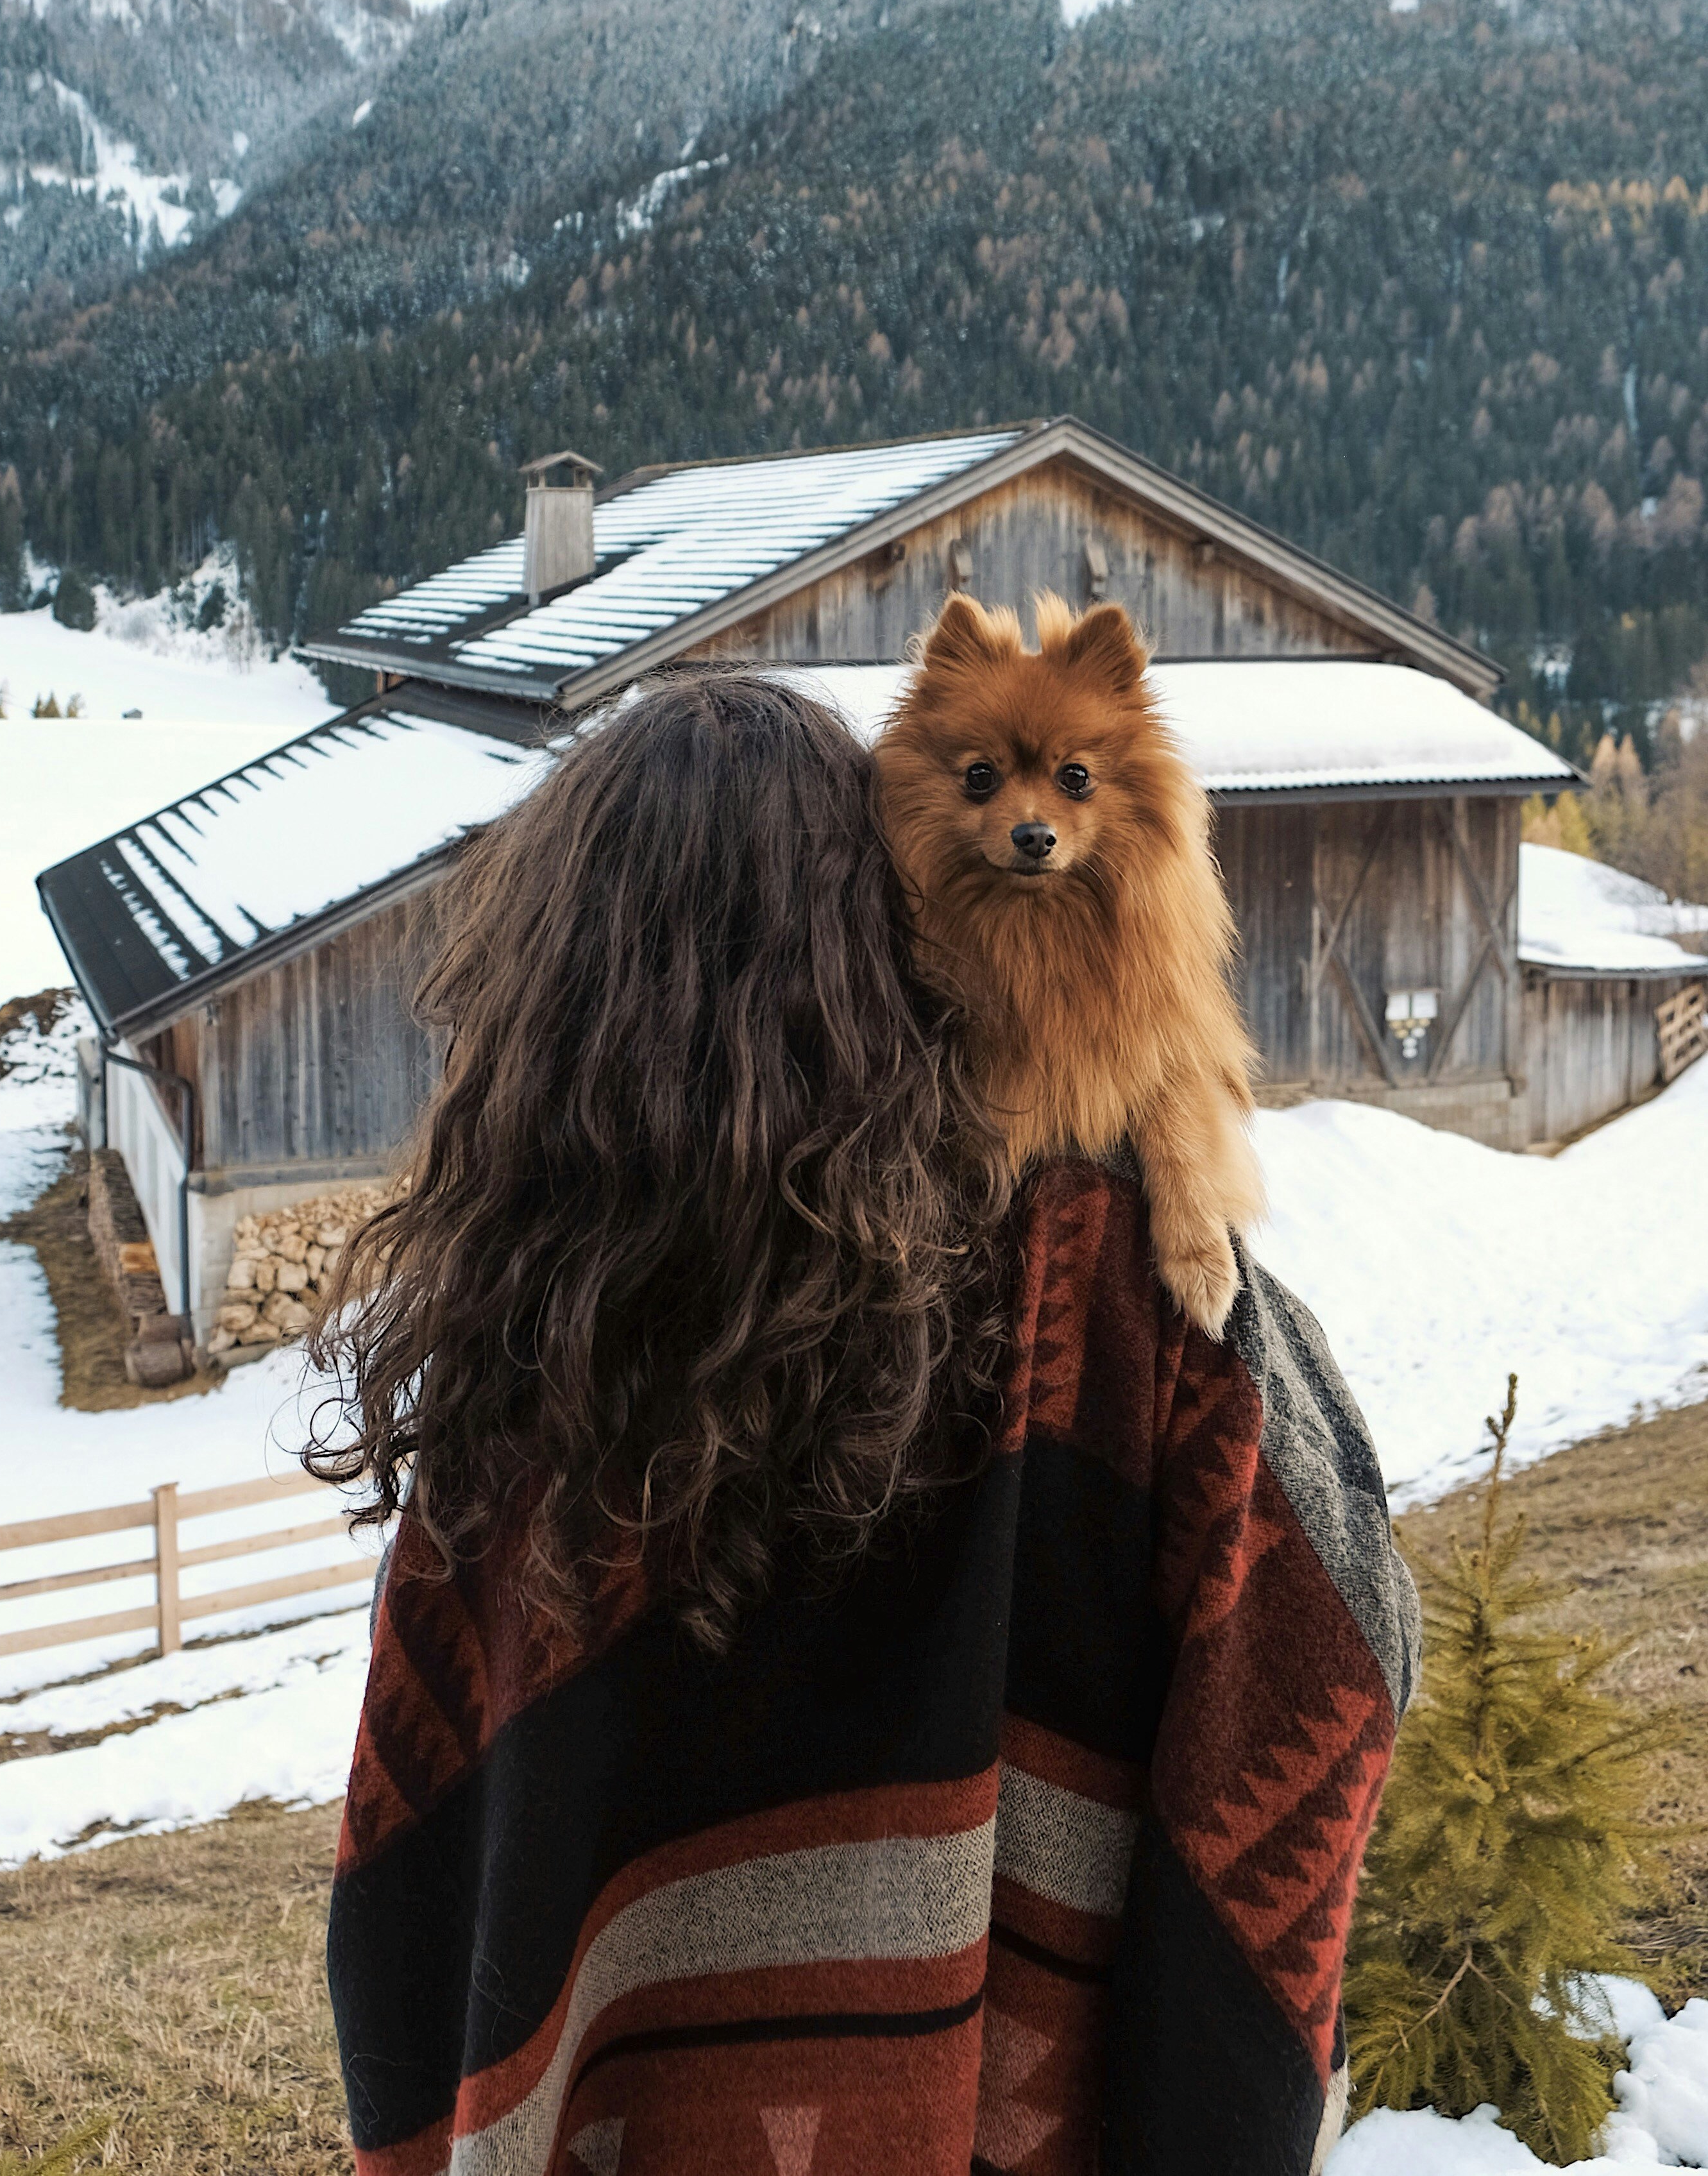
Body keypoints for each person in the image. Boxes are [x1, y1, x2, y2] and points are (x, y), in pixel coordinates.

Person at [309, 672, 1419, 2176]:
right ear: (887, 934)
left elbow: (403, 1903)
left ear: (541, 991)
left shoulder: (516, 1373)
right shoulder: (1085, 1280)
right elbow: (1340, 1620)